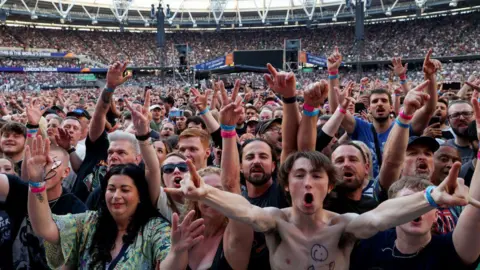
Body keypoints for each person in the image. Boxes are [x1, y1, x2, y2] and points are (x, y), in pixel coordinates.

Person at [166, 151, 473, 270]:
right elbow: (246, 211)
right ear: (287, 187)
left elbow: (380, 216)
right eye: (299, 175)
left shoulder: (344, 227)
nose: (308, 183)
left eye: (317, 176)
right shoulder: (275, 222)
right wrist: (209, 193)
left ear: (328, 187)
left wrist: (431, 197)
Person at [25, 142, 200, 270]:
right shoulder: (89, 223)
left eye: (125, 190)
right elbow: (44, 228)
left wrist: (177, 251)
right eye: (111, 189)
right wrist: (36, 182)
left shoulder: (155, 229)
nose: (117, 196)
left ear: (140, 195)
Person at [329, 49, 440, 177]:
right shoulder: (360, 127)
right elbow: (336, 111)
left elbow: (428, 109)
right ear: (369, 108)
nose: (380, 104)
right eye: (375, 101)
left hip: (397, 190)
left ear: (391, 107)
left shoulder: (403, 127)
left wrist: (430, 76)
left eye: (383, 100)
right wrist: (333, 73)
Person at [0, 136, 86, 269]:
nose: (44, 167)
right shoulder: (21, 190)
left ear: (66, 172)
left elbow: (71, 260)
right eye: (41, 162)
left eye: (52, 163)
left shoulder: (76, 209)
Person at [176, 167, 253, 270]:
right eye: (204, 193)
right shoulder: (185, 235)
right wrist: (176, 251)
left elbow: (232, 187)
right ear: (195, 200)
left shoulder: (236, 235)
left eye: (217, 192)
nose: (210, 199)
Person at [328, 142, 378, 214]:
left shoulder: (373, 208)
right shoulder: (322, 204)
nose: (346, 164)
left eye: (353, 160)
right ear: (331, 170)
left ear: (366, 168)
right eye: (340, 161)